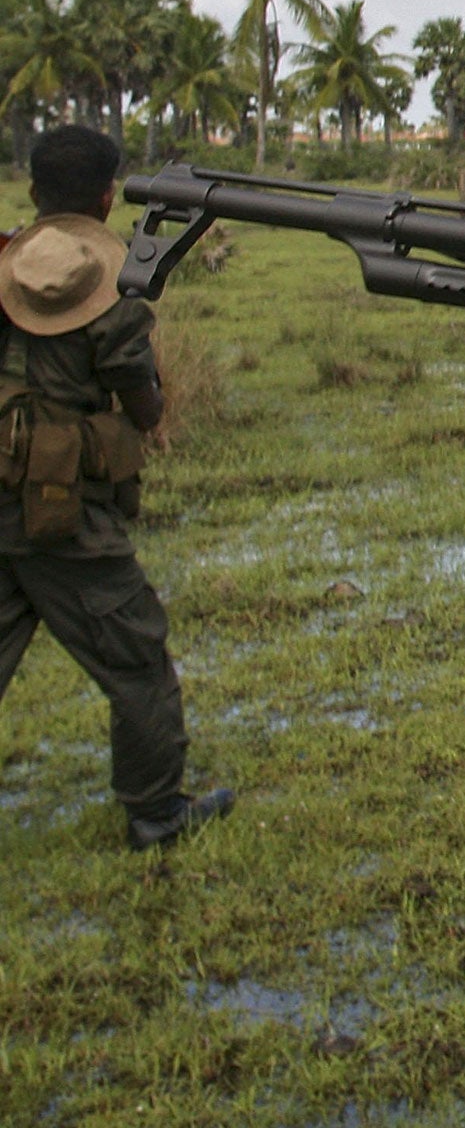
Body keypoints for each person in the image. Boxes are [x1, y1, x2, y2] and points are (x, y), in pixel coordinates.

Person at [0, 125, 232, 852]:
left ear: (34, 191)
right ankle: (156, 811)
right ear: (107, 197)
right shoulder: (111, 295)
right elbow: (144, 401)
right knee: (136, 656)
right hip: (62, 512)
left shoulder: (2, 263)